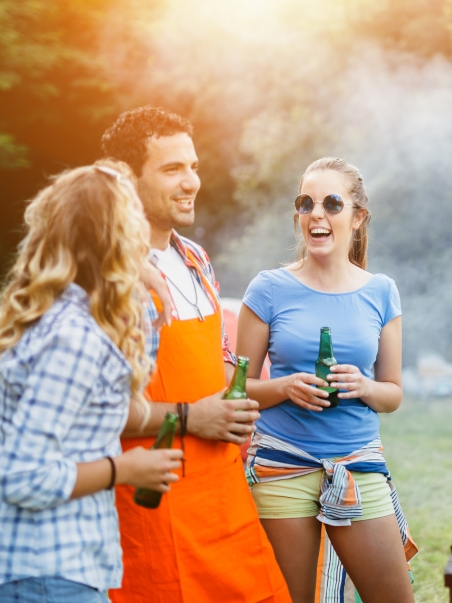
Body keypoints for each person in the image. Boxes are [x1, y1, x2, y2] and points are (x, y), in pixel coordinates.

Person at [0, 161, 184, 603]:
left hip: (36, 569)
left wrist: (143, 283)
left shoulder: (64, 312)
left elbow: (121, 384)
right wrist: (124, 469)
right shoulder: (73, 337)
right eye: (134, 222)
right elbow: (21, 476)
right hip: (42, 574)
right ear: (117, 237)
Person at [100, 108, 291, 603]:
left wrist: (266, 395)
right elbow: (92, 409)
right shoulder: (105, 275)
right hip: (150, 506)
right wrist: (191, 417)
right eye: (172, 169)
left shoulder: (197, 260)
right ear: (127, 178)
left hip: (224, 497)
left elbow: (219, 367)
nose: (191, 183)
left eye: (194, 167)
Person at [236, 157, 416, 603]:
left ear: (357, 217)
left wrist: (364, 387)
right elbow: (235, 389)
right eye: (306, 203)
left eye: (332, 203)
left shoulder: (381, 291)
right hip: (281, 464)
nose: (316, 214)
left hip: (357, 465)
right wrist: (285, 387)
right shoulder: (268, 289)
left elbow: (392, 394)